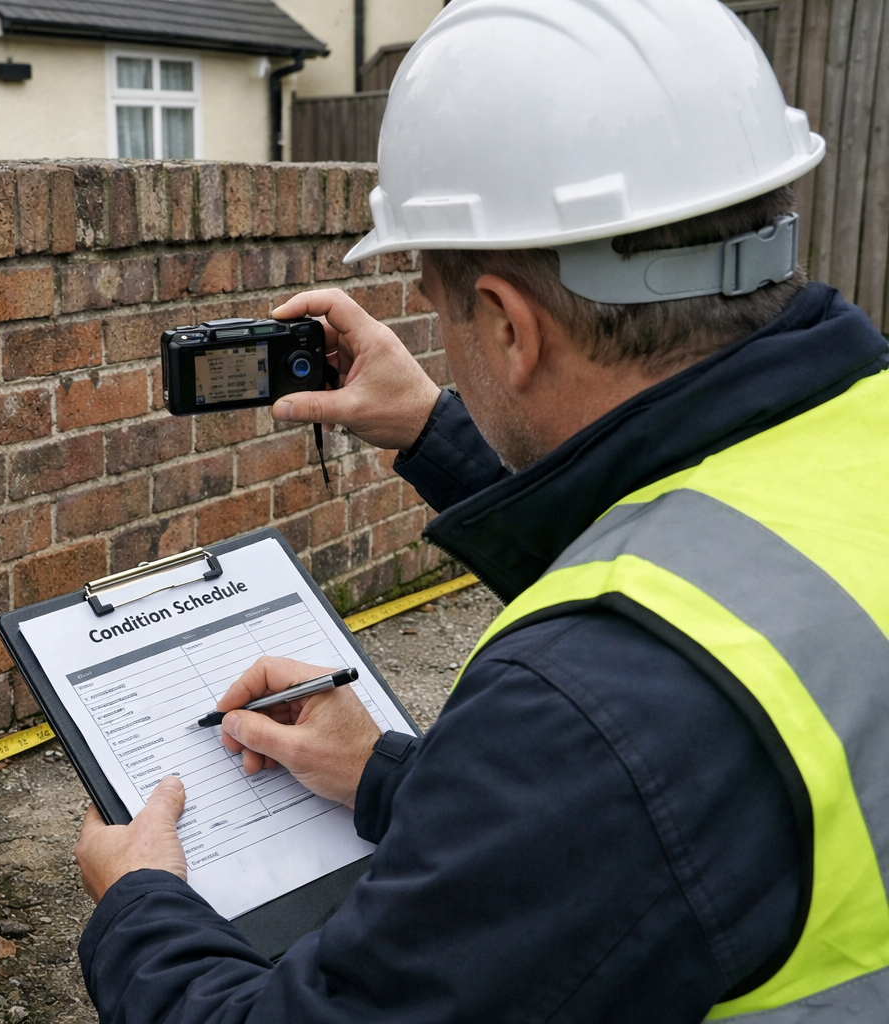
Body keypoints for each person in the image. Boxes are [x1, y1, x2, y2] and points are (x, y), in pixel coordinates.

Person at [70, 0, 889, 1020]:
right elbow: (698, 627)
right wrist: (385, 773)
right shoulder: (859, 427)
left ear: (506, 324)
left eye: (445, 310)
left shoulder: (579, 717)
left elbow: (622, 763)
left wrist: (141, 905)